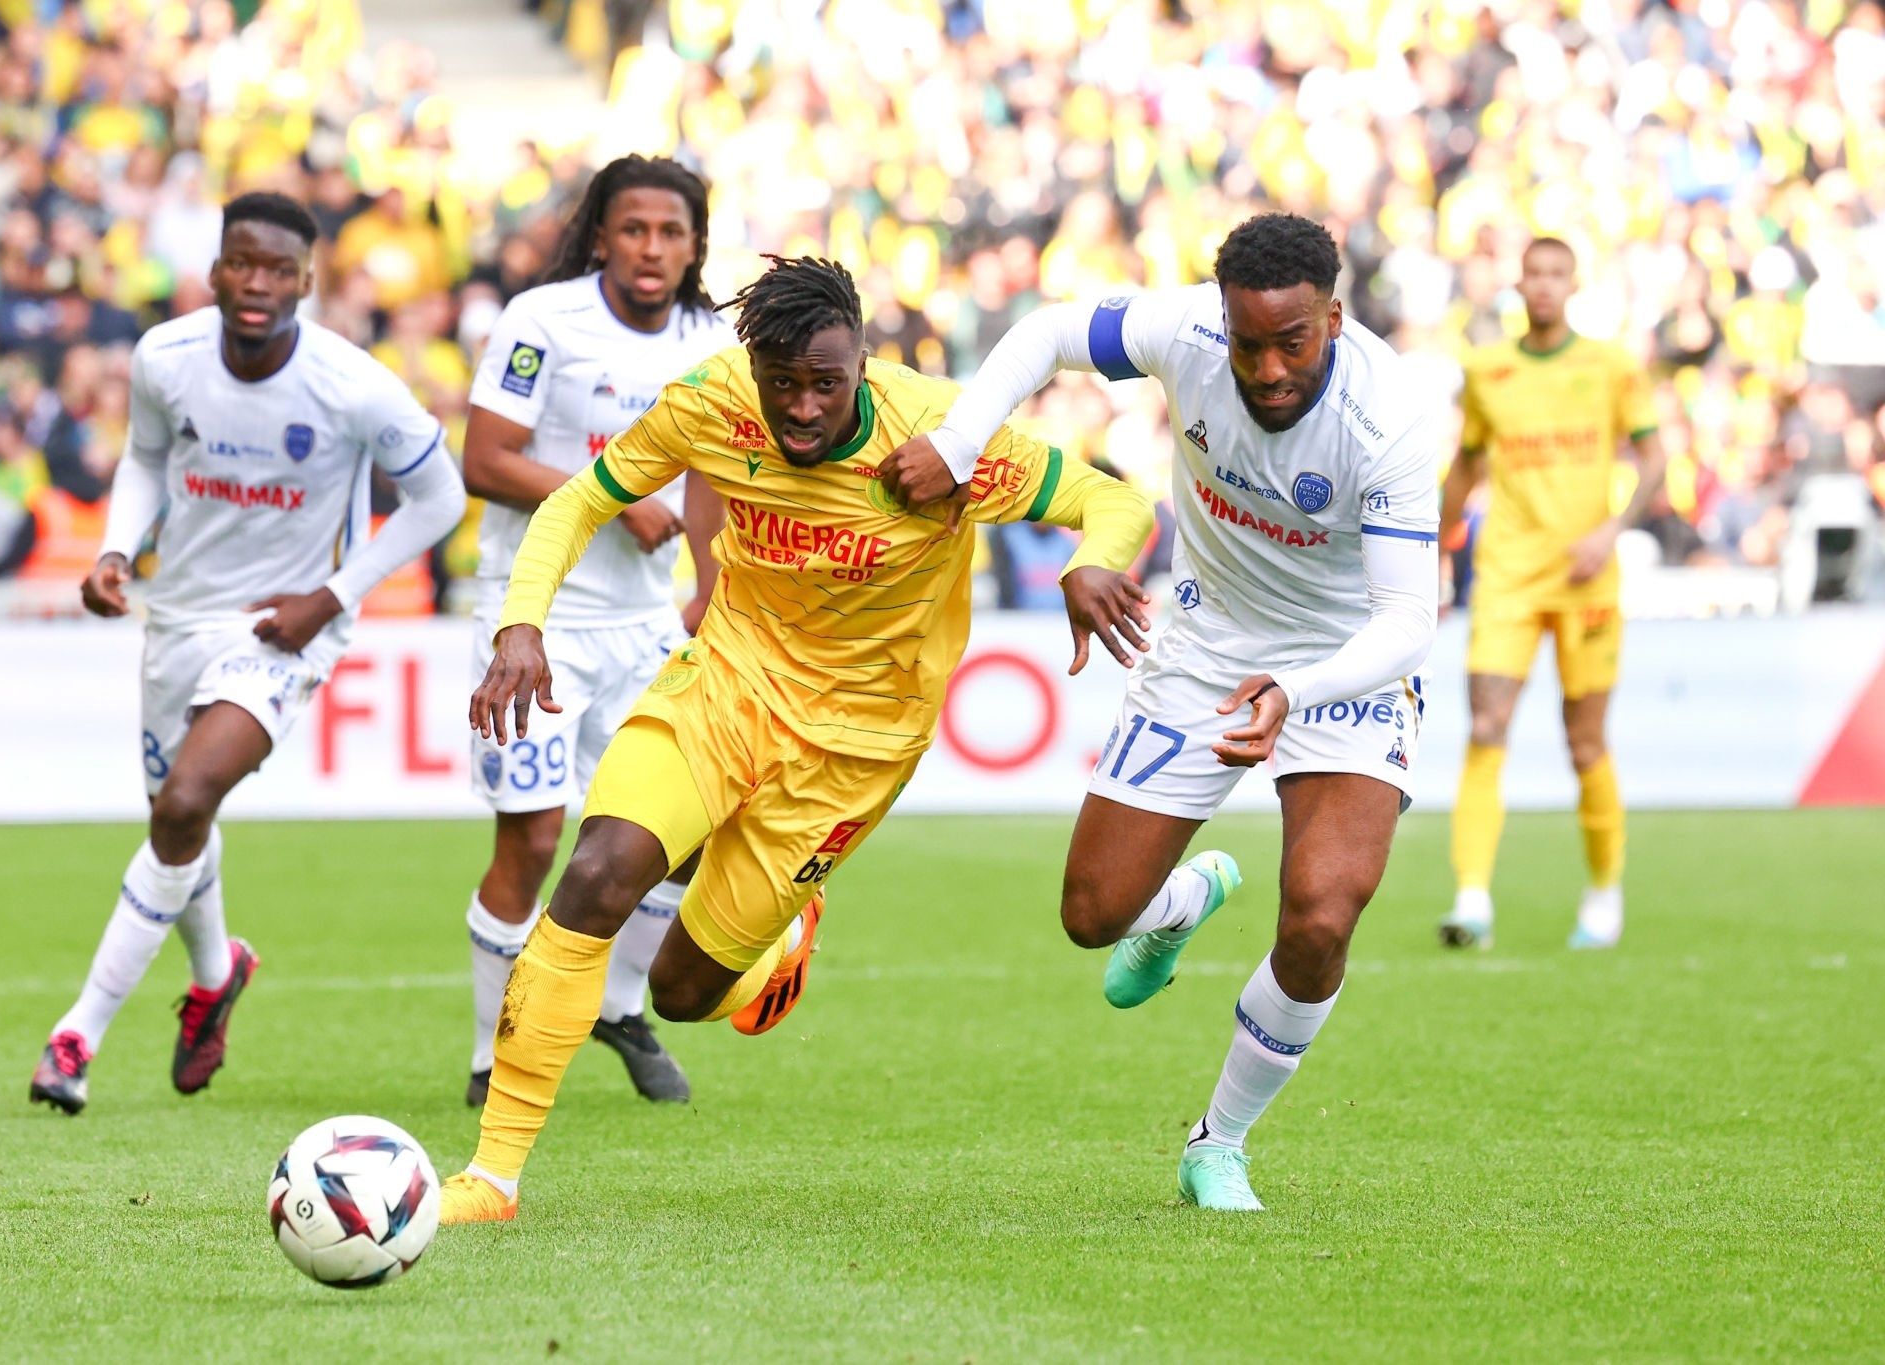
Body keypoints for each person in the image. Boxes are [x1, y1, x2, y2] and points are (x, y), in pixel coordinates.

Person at [438, 255, 1157, 1224]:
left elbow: (1117, 502)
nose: (803, 408)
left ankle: (784, 935)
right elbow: (578, 501)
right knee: (597, 873)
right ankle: (492, 1177)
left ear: (863, 362)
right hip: (724, 686)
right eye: (783, 383)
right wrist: (519, 626)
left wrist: (1091, 563)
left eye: (827, 382)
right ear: (754, 369)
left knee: (684, 993)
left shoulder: (944, 433)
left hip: (853, 749)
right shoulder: (713, 402)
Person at [882, 213, 1441, 1212]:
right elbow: (1048, 332)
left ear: (1333, 318)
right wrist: (959, 442)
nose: (1267, 369)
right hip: (1205, 644)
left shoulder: (1387, 417)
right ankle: (1181, 903)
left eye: (1292, 342)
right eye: (1247, 343)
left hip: (1342, 666)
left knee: (1321, 912)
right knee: (1091, 915)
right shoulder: (1182, 328)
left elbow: (1407, 620)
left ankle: (1216, 1143)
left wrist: (1294, 692)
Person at [27, 192, 466, 1115]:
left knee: (186, 799)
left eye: (278, 269)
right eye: (242, 263)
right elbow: (145, 459)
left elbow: (441, 497)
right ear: (216, 270)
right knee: (176, 821)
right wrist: (117, 551)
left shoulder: (353, 385)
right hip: (179, 616)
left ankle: (78, 1034)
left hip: (281, 628)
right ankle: (215, 973)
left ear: (306, 281)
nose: (257, 283)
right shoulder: (165, 357)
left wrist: (331, 597)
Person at [458, 155, 732, 1108]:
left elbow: (711, 475)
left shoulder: (710, 338)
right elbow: (484, 459)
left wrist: (710, 591)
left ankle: (618, 1006)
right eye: (633, 229)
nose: (651, 248)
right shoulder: (543, 320)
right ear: (601, 236)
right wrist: (618, 500)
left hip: (643, 622)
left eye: (671, 232)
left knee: (678, 832)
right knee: (536, 841)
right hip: (536, 619)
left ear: (695, 245)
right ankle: (492, 1055)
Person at [1437, 238, 1665, 951]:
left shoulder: (1611, 366)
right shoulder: (1486, 370)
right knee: (1485, 726)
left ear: (1572, 284)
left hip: (1586, 580)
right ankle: (1471, 899)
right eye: (1532, 273)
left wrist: (1613, 528)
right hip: (1507, 574)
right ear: (1518, 283)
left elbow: (1655, 457)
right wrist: (1435, 548)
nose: (1542, 285)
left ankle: (1604, 892)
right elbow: (1466, 464)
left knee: (1584, 740)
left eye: (1555, 274)